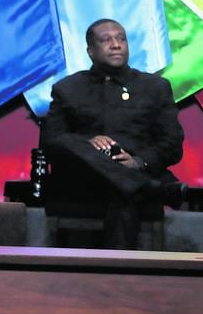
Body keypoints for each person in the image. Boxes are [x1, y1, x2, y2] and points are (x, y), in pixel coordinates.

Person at [41, 18, 185, 249]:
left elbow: (172, 144)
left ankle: (120, 278)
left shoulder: (155, 87)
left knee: (122, 192)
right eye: (106, 40)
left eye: (121, 39)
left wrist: (138, 163)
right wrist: (87, 143)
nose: (116, 44)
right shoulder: (67, 88)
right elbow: (51, 143)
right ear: (90, 51)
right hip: (82, 181)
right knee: (66, 142)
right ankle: (144, 186)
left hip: (134, 174)